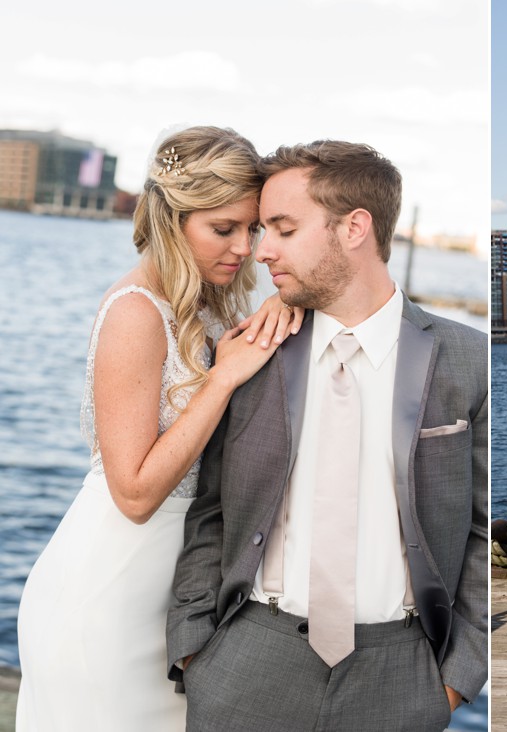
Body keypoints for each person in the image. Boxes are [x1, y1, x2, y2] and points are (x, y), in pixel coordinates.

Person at [166, 140, 488, 731]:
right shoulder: (248, 353)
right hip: (246, 664)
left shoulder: (468, 359)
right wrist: (196, 653)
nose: (261, 252)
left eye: (283, 230)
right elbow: (209, 511)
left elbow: (481, 531)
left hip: (401, 676)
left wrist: (456, 679)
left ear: (355, 228)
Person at [16, 126, 302, 731]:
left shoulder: (200, 309)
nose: (244, 248)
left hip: (172, 599)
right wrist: (224, 379)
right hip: (107, 597)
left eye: (252, 229)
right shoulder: (135, 314)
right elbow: (136, 493)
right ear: (172, 220)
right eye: (223, 230)